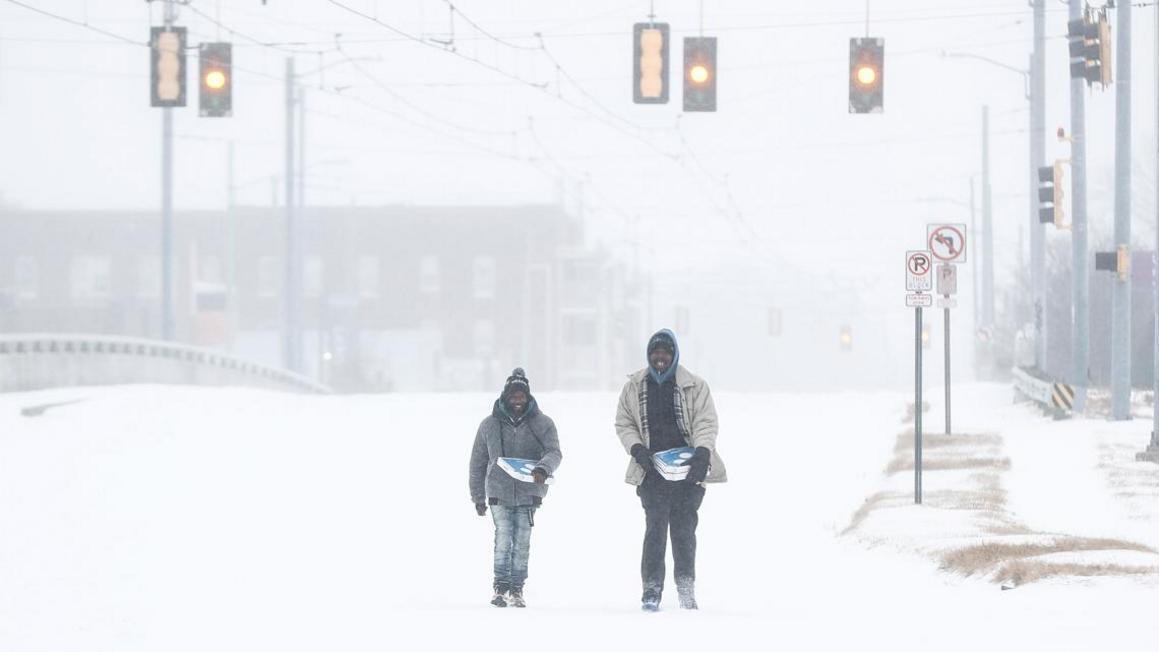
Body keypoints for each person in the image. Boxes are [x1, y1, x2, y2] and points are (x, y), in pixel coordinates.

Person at [615, 329, 727, 612]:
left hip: (688, 473)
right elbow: (624, 422)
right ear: (649, 355)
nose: (660, 357)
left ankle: (686, 589)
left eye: (665, 352)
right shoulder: (634, 387)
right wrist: (637, 449)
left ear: (674, 354)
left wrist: (703, 452)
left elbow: (706, 422)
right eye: (655, 352)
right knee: (655, 530)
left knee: (684, 531)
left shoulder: (695, 386)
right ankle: (651, 590)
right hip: (651, 472)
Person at [469, 368, 562, 608]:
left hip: (529, 494)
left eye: (522, 396)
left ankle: (517, 588)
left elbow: (554, 452)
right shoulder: (489, 425)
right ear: (505, 397)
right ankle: (500, 587)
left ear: (528, 397)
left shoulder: (543, 424)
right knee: (503, 539)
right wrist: (478, 497)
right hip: (498, 492)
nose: (517, 401)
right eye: (513, 396)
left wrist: (543, 469)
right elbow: (478, 462)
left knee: (522, 542)